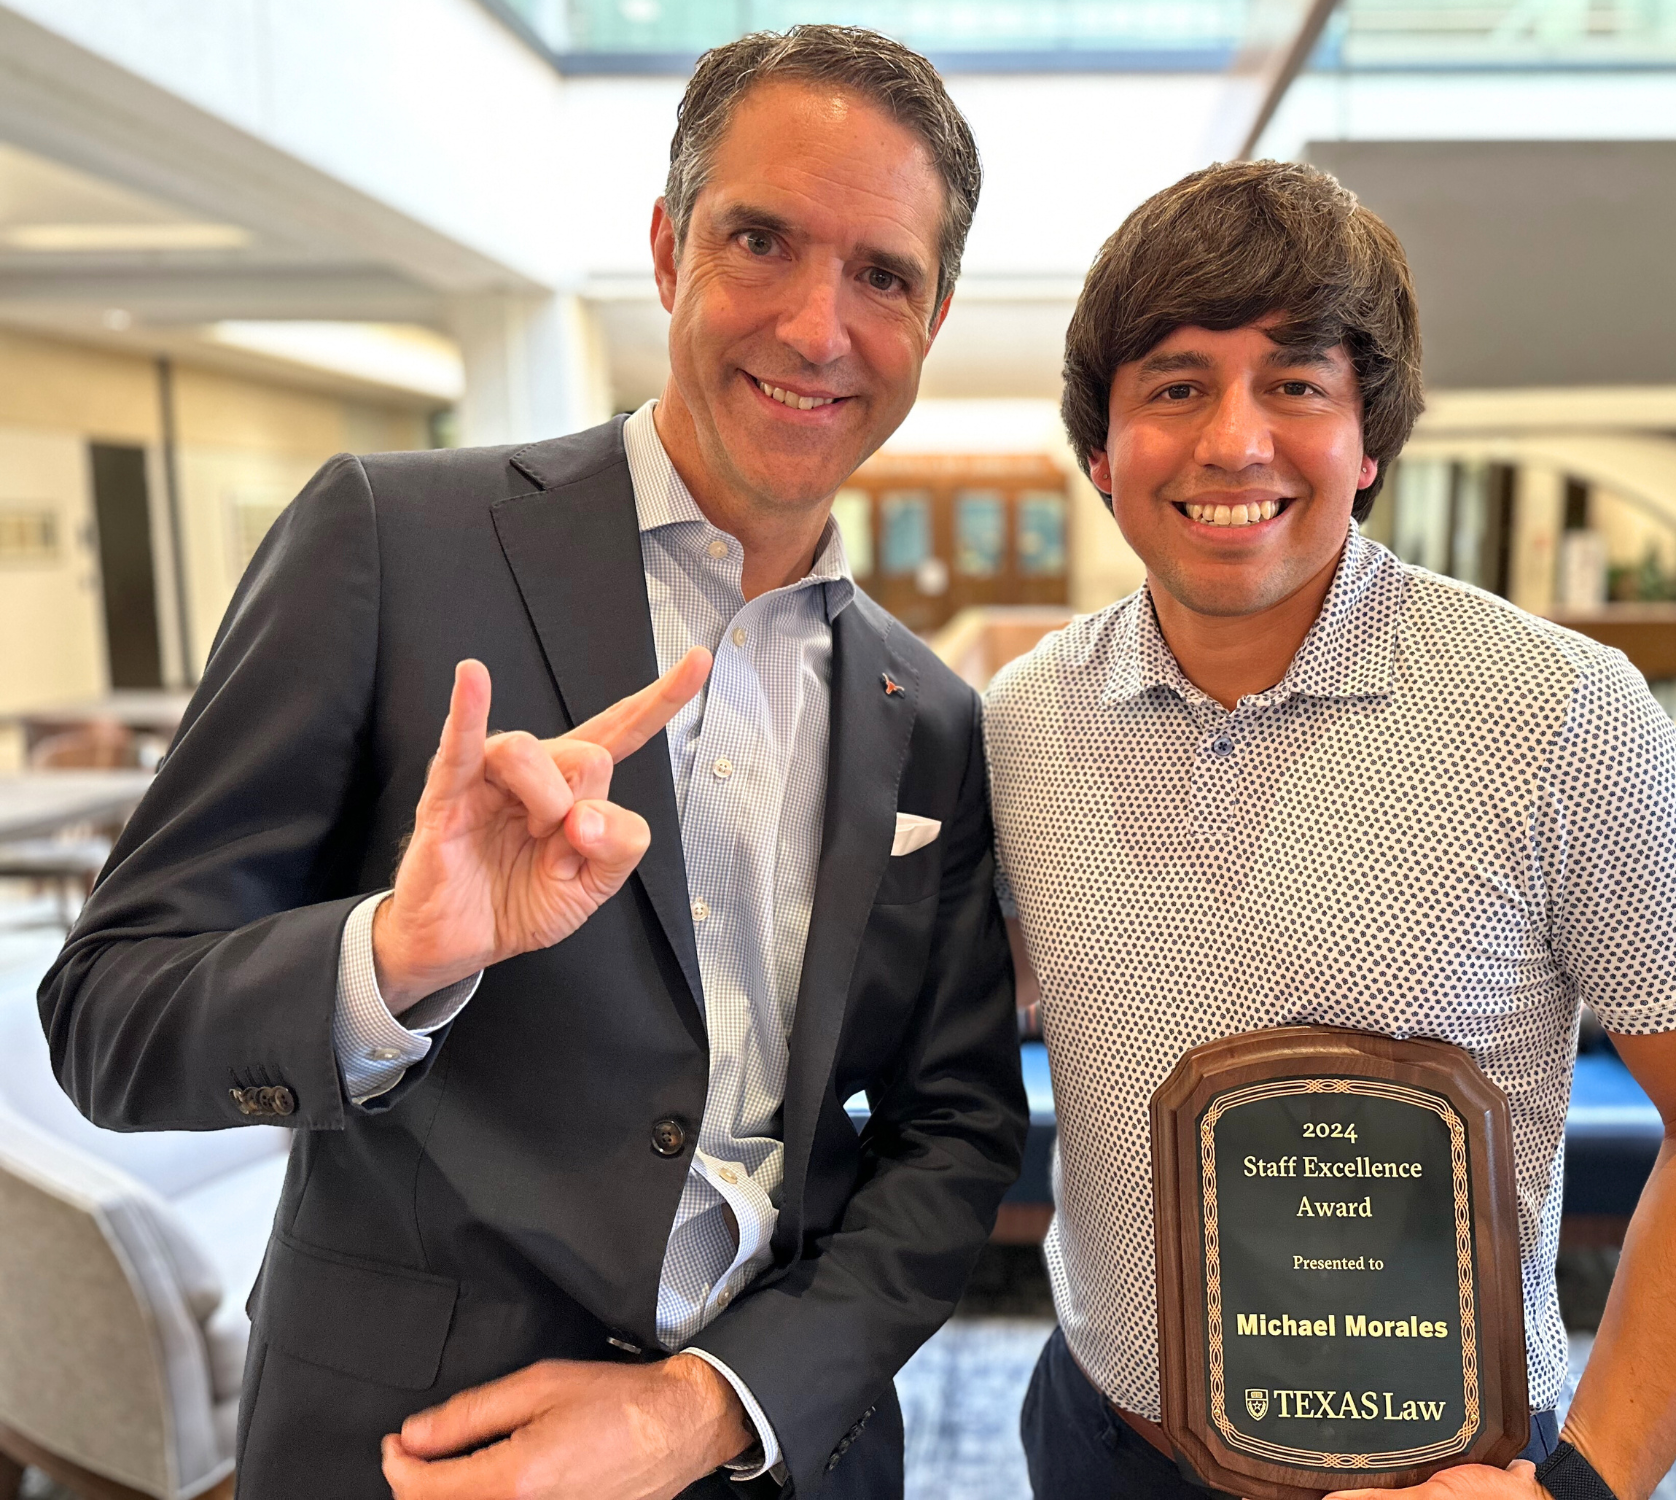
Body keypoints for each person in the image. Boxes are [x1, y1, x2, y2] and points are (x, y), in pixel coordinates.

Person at [40, 25, 1026, 1500]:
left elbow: (950, 1132)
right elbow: (108, 1015)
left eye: (882, 273)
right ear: (668, 247)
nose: (821, 328)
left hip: (774, 1450)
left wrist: (714, 1403)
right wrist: (390, 960)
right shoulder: (391, 539)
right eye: (761, 239)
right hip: (424, 1449)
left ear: (933, 316)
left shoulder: (929, 711)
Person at [985, 160, 1676, 1500]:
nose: (1234, 442)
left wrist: (1585, 1487)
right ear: (1101, 449)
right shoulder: (1020, 725)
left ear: (1369, 440)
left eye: (1296, 385)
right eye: (1176, 385)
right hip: (1102, 1445)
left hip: (1442, 1474)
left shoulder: (1560, 715)